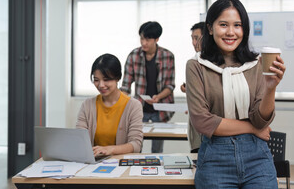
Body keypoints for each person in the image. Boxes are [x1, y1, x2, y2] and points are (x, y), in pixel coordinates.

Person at [186, 0, 286, 188]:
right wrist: (252, 129)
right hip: (215, 156)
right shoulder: (196, 66)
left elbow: (260, 120)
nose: (230, 32)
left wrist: (271, 87)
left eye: (237, 25)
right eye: (223, 24)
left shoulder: (256, 63)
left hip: (257, 156)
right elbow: (202, 121)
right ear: (210, 28)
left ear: (244, 29)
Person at [121, 21, 175, 153]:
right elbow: (126, 85)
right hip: (139, 107)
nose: (143, 42)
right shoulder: (133, 55)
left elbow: (170, 85)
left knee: (157, 149)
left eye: (148, 39)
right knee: (135, 145)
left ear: (157, 39)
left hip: (161, 108)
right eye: (141, 38)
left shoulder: (168, 56)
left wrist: (158, 97)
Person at [76, 53, 143, 156]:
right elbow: (79, 139)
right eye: (96, 80)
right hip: (93, 164)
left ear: (118, 78)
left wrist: (110, 150)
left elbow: (136, 145)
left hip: (121, 164)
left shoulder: (133, 106)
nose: (101, 85)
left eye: (106, 80)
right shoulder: (87, 105)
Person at [180, 22, 205, 153]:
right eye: (192, 38)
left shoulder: (211, 64)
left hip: (206, 135)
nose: (193, 43)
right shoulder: (194, 63)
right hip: (196, 132)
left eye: (196, 38)